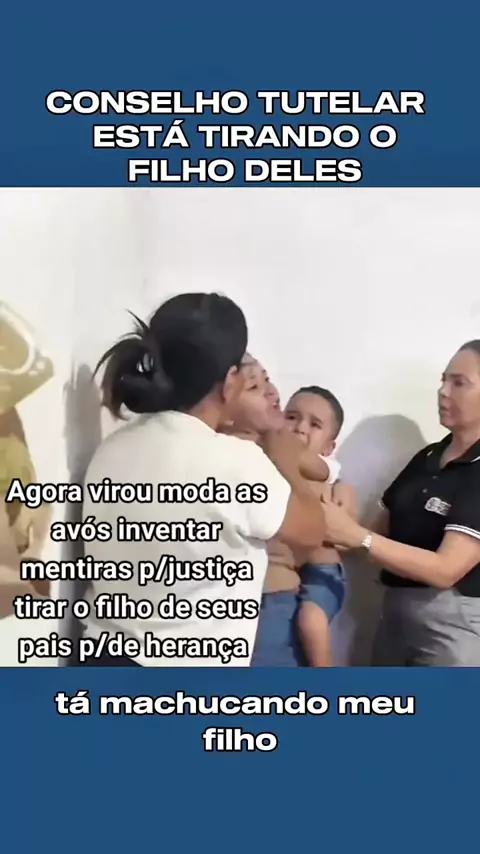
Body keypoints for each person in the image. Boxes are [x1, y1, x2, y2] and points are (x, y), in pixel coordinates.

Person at [76, 293, 326, 667]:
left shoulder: (112, 448)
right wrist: (287, 461)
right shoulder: (235, 463)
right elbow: (311, 531)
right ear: (229, 382)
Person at [321, 340, 480, 667]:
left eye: (459, 383)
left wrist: (357, 536)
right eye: (443, 380)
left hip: (451, 627)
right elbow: (372, 535)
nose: (443, 392)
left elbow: (446, 570)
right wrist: (338, 500)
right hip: (394, 616)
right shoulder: (427, 457)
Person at [223, 358, 355, 666]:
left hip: (308, 579)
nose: (299, 427)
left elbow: (324, 474)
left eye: (267, 379)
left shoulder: (284, 448)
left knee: (311, 620)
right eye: (254, 385)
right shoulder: (225, 449)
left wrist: (338, 483)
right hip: (244, 599)